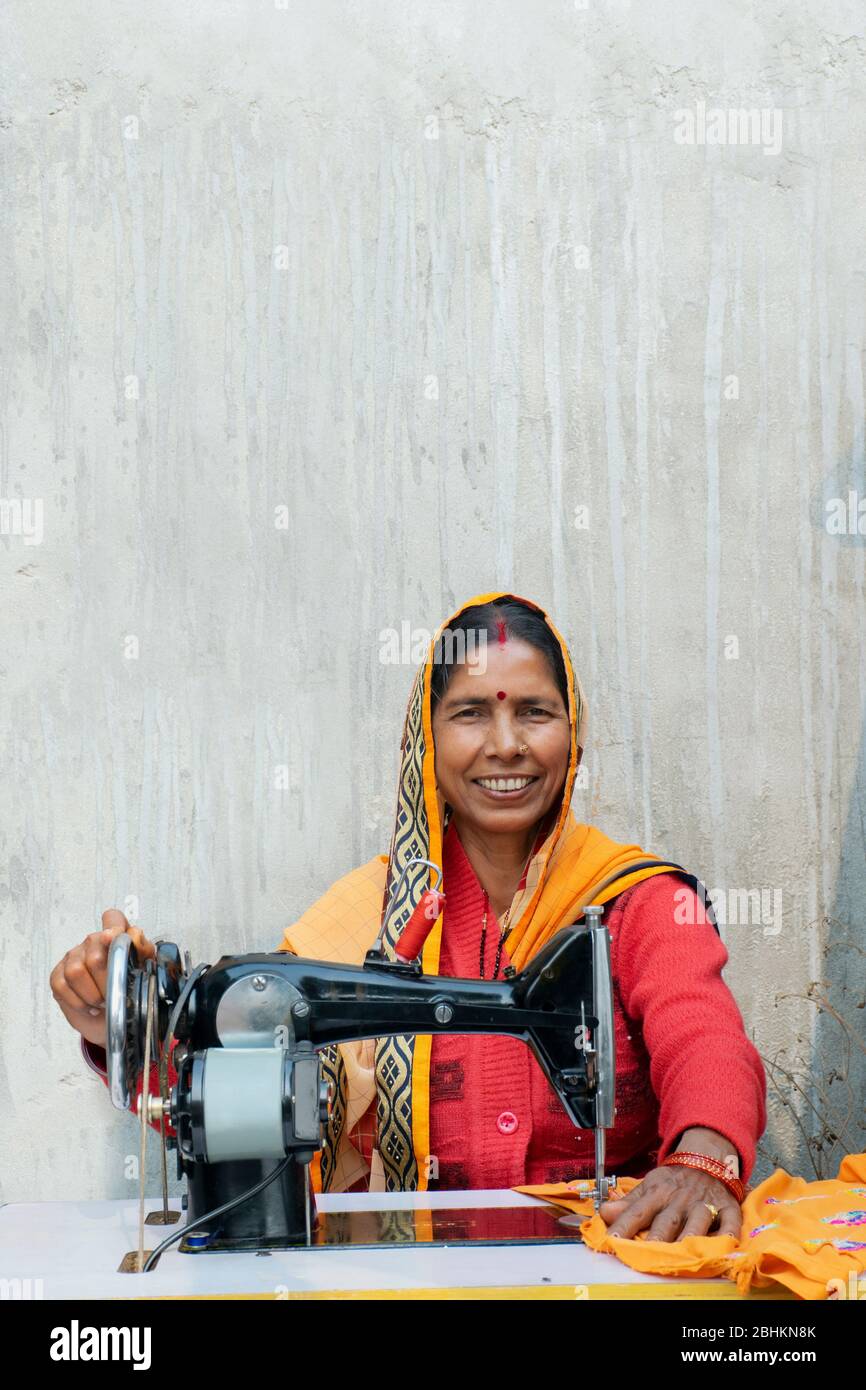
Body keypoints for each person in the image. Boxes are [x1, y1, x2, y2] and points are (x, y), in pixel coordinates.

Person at [51, 589, 767, 1242]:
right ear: (427, 739)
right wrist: (121, 1029)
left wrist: (704, 1158)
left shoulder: (637, 899)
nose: (506, 744)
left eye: (534, 712)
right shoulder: (360, 920)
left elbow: (703, 1033)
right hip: (404, 1274)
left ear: (573, 732)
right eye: (471, 713)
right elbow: (248, 1089)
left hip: (600, 1264)